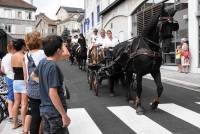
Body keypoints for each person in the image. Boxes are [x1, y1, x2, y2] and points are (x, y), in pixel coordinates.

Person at [31, 35, 71, 134]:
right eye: (62, 48)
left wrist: (45, 83)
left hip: (45, 109)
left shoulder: (43, 62)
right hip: (54, 112)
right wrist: (64, 115)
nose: (63, 50)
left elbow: (33, 76)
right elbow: (53, 93)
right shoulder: (53, 67)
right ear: (58, 51)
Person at [23, 32, 46, 134]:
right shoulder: (43, 53)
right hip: (42, 88)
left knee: (35, 115)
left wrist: (27, 88)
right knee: (43, 115)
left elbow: (25, 75)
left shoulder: (26, 55)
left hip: (31, 89)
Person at [11, 39, 27, 129]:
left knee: (16, 103)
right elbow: (25, 72)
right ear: (22, 46)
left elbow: (13, 70)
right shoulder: (23, 56)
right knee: (24, 104)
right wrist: (27, 83)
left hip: (15, 81)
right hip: (22, 81)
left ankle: (15, 124)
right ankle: (24, 125)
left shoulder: (12, 56)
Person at [1, 41, 15, 122]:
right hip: (14, 77)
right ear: (13, 48)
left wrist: (7, 72)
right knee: (13, 97)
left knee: (10, 95)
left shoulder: (4, 57)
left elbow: (2, 69)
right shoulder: (13, 56)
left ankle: (11, 114)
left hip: (8, 77)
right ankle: (12, 115)